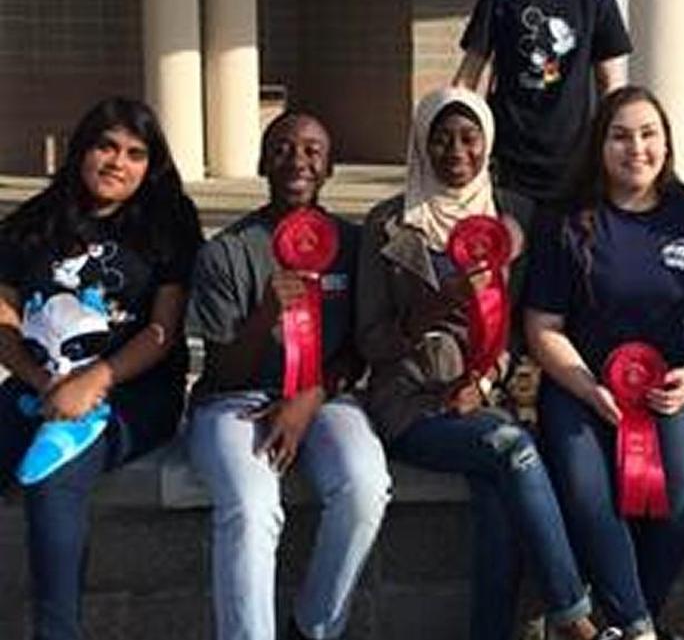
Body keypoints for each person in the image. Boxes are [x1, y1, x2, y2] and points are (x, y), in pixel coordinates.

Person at [356, 86, 605, 640]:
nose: (455, 152)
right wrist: (433, 307)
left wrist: (484, 378)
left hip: (490, 400)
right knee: (512, 449)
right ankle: (575, 618)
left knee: (497, 502)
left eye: (468, 137)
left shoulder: (516, 216)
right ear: (421, 144)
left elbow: (525, 324)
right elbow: (370, 340)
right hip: (413, 404)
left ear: (487, 144)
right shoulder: (387, 223)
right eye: (440, 139)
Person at [526, 86, 684, 639]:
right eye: (620, 135)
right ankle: (640, 629)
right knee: (585, 490)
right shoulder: (565, 221)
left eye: (648, 134)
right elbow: (542, 327)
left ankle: (624, 624)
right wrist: (588, 387)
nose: (635, 148)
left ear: (666, 143)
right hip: (580, 386)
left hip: (676, 387)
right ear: (599, 145)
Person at [0, 97, 202, 640]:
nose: (117, 162)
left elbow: (163, 331)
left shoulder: (169, 223)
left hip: (133, 391)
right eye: (106, 146)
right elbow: (3, 318)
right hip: (37, 385)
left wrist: (95, 380)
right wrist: (44, 380)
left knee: (51, 473)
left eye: (135, 153)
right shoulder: (35, 221)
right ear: (82, 150)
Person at [184, 112, 391, 640]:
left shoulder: (354, 242)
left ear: (330, 167)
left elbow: (358, 353)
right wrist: (264, 316)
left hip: (326, 396)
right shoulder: (226, 251)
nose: (297, 160)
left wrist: (309, 398)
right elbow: (221, 369)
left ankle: (313, 627)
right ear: (261, 162)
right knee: (253, 508)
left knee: (365, 486)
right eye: (281, 149)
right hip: (233, 402)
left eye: (312, 151)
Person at [453, 0, 632, 203]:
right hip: (508, 166)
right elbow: (467, 81)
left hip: (575, 168)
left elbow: (612, 88)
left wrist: (613, 157)